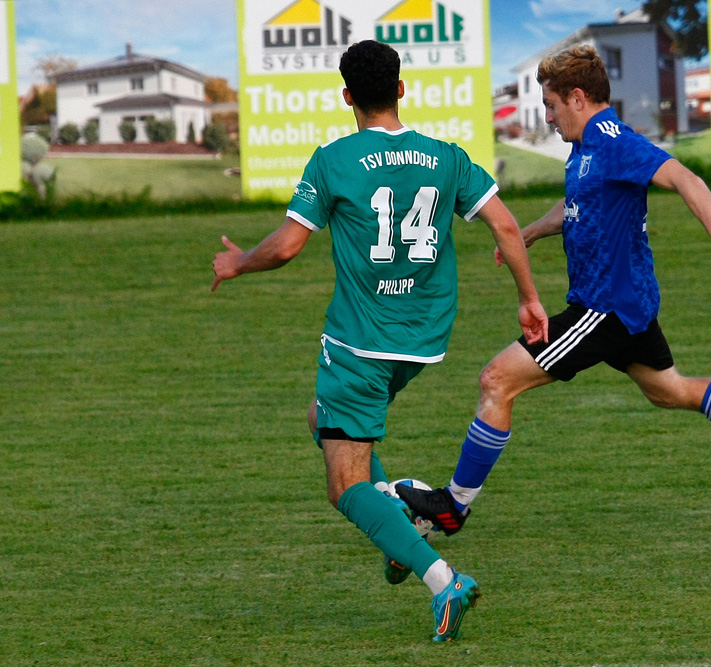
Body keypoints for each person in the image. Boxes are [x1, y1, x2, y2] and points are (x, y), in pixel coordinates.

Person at [396, 45, 711, 538]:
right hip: (627, 307)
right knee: (671, 391)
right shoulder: (586, 150)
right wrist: (535, 230)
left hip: (605, 309)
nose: (550, 117)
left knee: (497, 380)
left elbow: (684, 177)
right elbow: (578, 202)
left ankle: (454, 505)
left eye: (552, 106)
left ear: (578, 98)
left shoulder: (613, 139)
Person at [211, 40, 548, 642]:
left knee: (345, 483)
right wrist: (528, 297)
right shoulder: (444, 156)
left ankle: (443, 579)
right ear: (401, 89)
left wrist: (239, 264)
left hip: (359, 342)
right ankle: (398, 520)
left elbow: (287, 246)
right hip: (421, 340)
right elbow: (503, 224)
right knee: (324, 418)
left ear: (347, 97)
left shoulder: (333, 161)